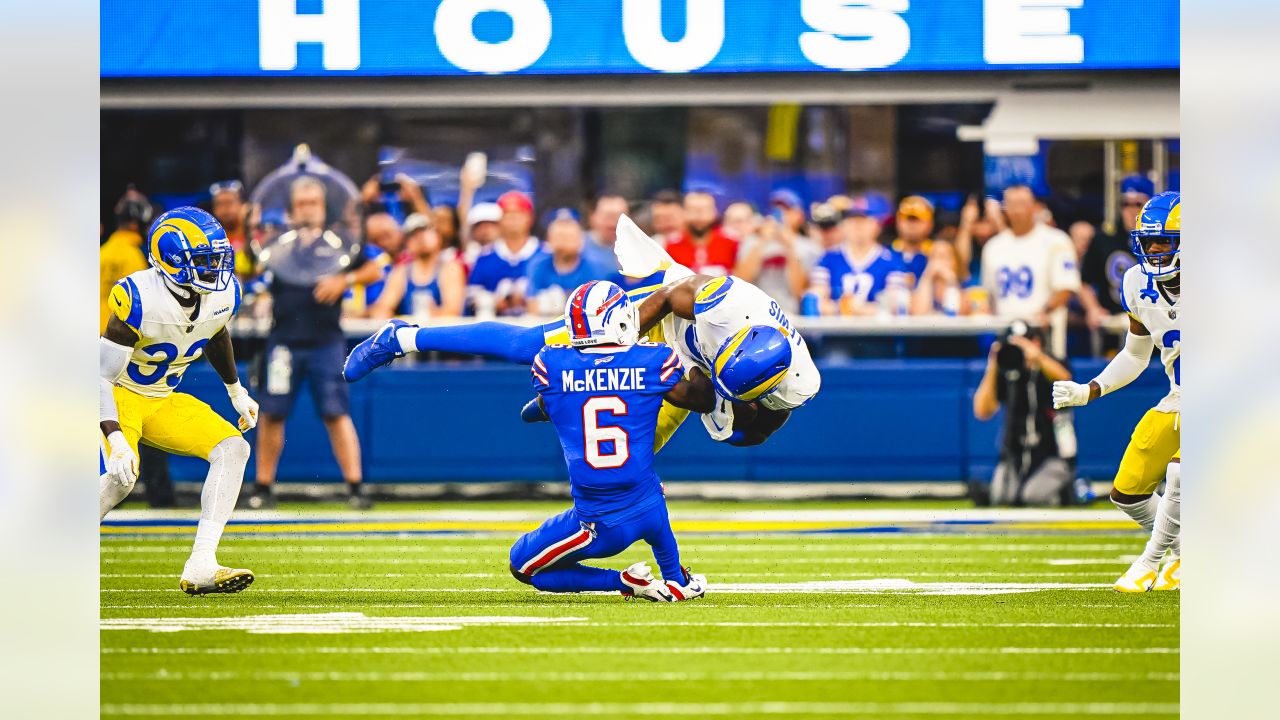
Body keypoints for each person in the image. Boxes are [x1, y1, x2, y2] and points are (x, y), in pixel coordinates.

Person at [343, 214, 820, 451]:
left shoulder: (795, 388)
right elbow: (673, 293)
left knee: (626, 457)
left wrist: (711, 404)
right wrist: (615, 345)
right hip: (669, 312)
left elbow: (750, 433)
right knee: (529, 344)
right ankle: (402, 336)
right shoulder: (724, 302)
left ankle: (563, 396)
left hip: (697, 370)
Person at [508, 281, 709, 601]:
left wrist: (537, 410)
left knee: (522, 566)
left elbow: (539, 408)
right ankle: (678, 580)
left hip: (600, 522)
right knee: (655, 514)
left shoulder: (553, 365)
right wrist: (703, 361)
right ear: (621, 320)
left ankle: (624, 581)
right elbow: (699, 398)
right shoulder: (653, 360)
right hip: (653, 507)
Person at [99, 207, 258, 594]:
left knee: (233, 449)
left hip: (162, 398)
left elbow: (215, 331)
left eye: (218, 259)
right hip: (119, 395)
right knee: (123, 479)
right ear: (170, 260)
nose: (215, 270)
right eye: (204, 261)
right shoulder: (138, 297)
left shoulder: (224, 293)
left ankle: (202, 563)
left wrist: (236, 391)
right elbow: (98, 376)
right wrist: (116, 438)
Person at [1052, 191, 1181, 593]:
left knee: (1179, 471)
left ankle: (1150, 562)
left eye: (1166, 242)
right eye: (1149, 242)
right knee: (1128, 493)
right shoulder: (1136, 283)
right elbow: (1136, 354)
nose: (1156, 251)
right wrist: (1091, 390)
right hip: (1181, 396)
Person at [251, 175, 383, 509]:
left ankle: (355, 487)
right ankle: (263, 488)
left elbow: (374, 271)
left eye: (313, 203)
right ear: (292, 210)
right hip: (283, 341)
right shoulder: (278, 244)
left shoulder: (340, 242)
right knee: (272, 413)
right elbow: (254, 269)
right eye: (301, 204)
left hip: (326, 339)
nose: (308, 210)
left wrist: (345, 280)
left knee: (336, 412)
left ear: (324, 208)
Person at [972, 321, 1075, 506]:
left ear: (1036, 343)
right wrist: (993, 364)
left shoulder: (1050, 363)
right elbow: (982, 411)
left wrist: (1038, 357)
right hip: (1014, 456)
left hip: (1051, 454)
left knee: (1033, 497)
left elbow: (1067, 382)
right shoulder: (1006, 371)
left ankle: (1067, 490)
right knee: (1002, 498)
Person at [981, 185, 1081, 354]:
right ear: (1005, 208)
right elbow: (988, 294)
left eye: (1022, 203)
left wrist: (1044, 312)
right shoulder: (993, 246)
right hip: (1005, 336)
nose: (1017, 210)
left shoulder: (1056, 240)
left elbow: (1066, 288)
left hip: (1044, 336)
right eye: (1012, 204)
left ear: (1034, 206)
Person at [1079, 175, 1148, 333]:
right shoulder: (1104, 238)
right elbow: (1085, 281)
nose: (1131, 210)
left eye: (1138, 204)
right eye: (1125, 204)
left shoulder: (1163, 239)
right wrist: (1093, 309)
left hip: (1152, 320)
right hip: (1114, 320)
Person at [811, 204, 906, 316]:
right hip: (836, 331)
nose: (857, 226)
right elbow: (816, 301)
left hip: (877, 331)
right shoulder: (827, 259)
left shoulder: (892, 261)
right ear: (843, 226)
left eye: (864, 221)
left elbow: (894, 306)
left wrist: (851, 308)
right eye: (852, 220)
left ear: (877, 225)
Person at [733, 191, 820, 314]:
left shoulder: (809, 246)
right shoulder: (751, 241)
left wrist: (789, 246)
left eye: (786, 209)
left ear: (799, 215)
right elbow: (740, 281)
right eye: (776, 208)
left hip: (790, 313)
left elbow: (799, 290)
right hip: (754, 311)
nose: (780, 214)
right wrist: (762, 241)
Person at [369, 212, 465, 320]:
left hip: (440, 333)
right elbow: (382, 307)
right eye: (414, 235)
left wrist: (428, 316)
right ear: (407, 244)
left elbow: (453, 312)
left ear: (438, 236)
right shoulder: (401, 271)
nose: (420, 238)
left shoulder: (450, 268)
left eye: (425, 232)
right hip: (410, 333)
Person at [467, 190, 544, 316]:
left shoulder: (545, 255)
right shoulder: (484, 258)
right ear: (499, 219)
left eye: (519, 214)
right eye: (508, 215)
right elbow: (471, 298)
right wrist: (493, 301)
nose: (513, 220)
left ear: (530, 217)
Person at [526, 209, 600, 315]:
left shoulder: (592, 269)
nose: (564, 243)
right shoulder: (539, 266)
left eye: (570, 237)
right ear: (549, 239)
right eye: (559, 236)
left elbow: (593, 308)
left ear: (580, 240)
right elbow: (531, 304)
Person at [662, 190, 737, 276]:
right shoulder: (671, 244)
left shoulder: (731, 242)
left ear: (714, 212)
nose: (699, 216)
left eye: (704, 210)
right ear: (683, 212)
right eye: (693, 210)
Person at [909, 240, 978, 316]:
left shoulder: (966, 285)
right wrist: (927, 278)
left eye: (942, 257)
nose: (937, 262)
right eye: (933, 257)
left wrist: (951, 281)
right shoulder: (922, 285)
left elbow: (959, 313)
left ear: (955, 261)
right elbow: (918, 315)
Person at [209, 180, 256, 283]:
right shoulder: (209, 240)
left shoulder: (256, 235)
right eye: (219, 204)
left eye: (230, 202)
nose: (225, 208)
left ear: (243, 205)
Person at [581, 194, 630, 276]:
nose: (613, 223)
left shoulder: (634, 249)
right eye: (608, 216)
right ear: (592, 217)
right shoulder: (578, 245)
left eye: (620, 217)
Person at [891, 195, 935, 283]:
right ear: (897, 222)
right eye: (907, 219)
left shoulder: (936, 254)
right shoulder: (886, 254)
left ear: (930, 224)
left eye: (917, 220)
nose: (912, 225)